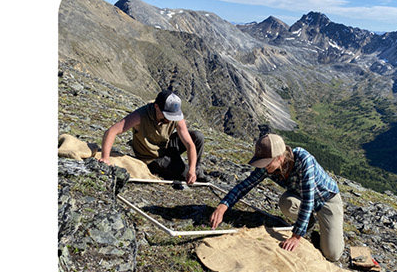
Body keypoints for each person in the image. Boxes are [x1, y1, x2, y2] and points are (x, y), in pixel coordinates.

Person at [210, 134, 345, 262]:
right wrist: (223, 206)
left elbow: (308, 200)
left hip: (326, 199)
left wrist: (296, 236)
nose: (264, 167)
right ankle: (309, 223)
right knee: (286, 203)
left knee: (332, 254)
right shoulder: (268, 167)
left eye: (267, 163)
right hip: (301, 196)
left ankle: (317, 228)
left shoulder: (304, 160)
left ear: (280, 157)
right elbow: (245, 186)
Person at [98, 90, 202, 183]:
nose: (170, 119)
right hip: (151, 157)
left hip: (165, 147)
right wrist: (105, 158)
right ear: (156, 106)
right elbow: (111, 131)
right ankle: (191, 174)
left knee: (197, 136)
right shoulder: (141, 115)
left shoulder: (175, 115)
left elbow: (189, 144)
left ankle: (196, 172)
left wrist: (192, 169)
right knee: (182, 173)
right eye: (167, 116)